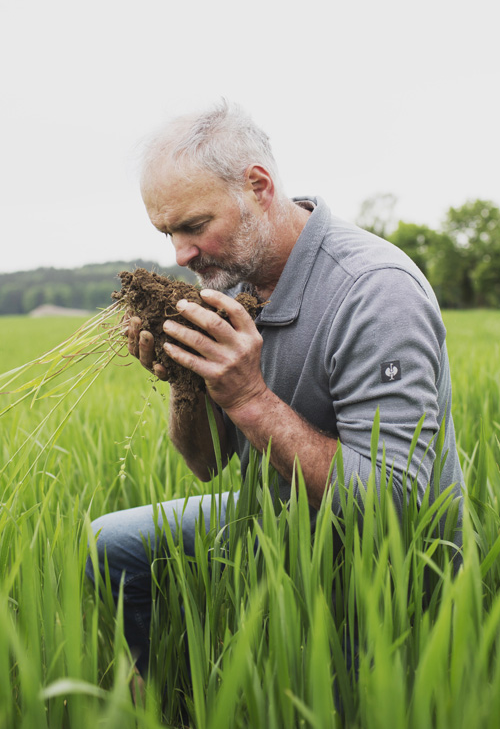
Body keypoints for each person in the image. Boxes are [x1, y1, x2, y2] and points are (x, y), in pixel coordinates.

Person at [86, 99, 464, 675]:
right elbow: (207, 464)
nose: (181, 255)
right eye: (168, 233)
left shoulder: (374, 292)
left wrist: (249, 399)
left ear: (257, 186)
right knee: (109, 545)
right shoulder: (232, 281)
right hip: (276, 517)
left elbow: (393, 508)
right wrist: (188, 381)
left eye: (193, 226)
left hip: (389, 563)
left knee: (316, 686)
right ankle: (179, 699)